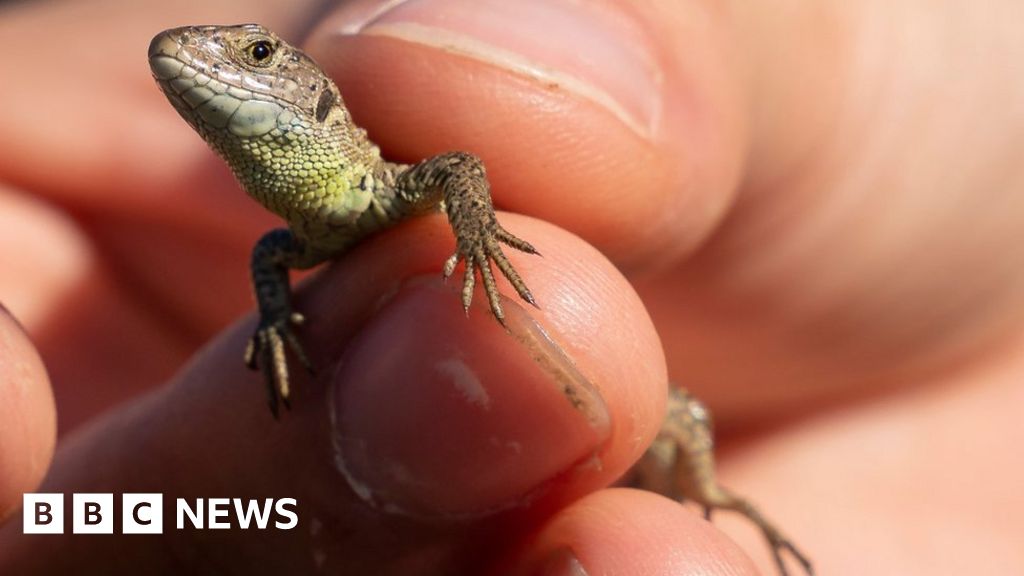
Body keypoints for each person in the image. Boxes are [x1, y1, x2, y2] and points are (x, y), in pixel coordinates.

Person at [1, 0, 1022, 573]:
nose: (210, 62)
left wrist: (477, 241)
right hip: (524, 410)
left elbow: (454, 167)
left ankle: (712, 497)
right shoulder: (295, 233)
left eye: (257, 52)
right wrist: (275, 324)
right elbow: (275, 259)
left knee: (682, 424)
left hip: (628, 364)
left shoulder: (374, 175)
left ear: (310, 90)